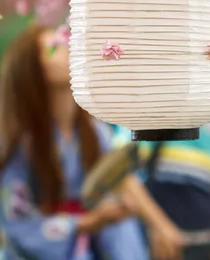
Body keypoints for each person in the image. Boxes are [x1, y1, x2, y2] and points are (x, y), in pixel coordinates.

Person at [0, 25, 181, 260]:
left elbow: (119, 177)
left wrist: (160, 225)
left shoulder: (93, 131)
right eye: (55, 47)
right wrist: (87, 222)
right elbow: (18, 219)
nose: (68, 49)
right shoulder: (19, 140)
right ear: (34, 68)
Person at [113, 120, 210, 260]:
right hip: (158, 246)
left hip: (204, 246)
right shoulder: (150, 114)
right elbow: (121, 174)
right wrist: (159, 227)